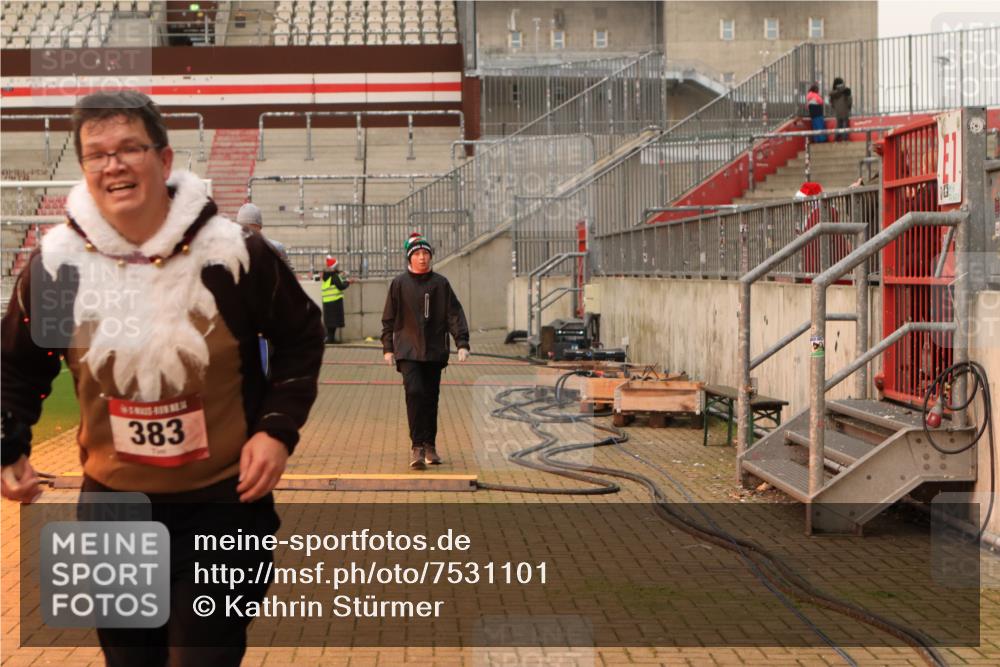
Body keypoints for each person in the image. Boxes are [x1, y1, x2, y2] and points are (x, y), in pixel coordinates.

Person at [0, 90, 325, 666]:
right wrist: (8, 446)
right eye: (97, 154)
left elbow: (301, 337)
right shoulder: (57, 269)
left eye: (129, 148)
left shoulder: (233, 257)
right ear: (83, 168)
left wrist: (276, 430)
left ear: (165, 160)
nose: (114, 165)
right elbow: (17, 369)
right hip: (111, 512)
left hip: (223, 508)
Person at [381, 232, 470, 470]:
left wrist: (462, 342)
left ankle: (430, 445)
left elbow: (454, 314)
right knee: (415, 394)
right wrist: (387, 348)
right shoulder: (399, 284)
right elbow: (388, 319)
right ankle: (417, 446)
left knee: (431, 398)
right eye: (418, 254)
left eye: (426, 253)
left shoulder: (440, 284)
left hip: (433, 351)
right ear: (410, 258)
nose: (422, 258)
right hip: (408, 350)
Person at [236, 201, 293, 270]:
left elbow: (288, 275)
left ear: (259, 227)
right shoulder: (231, 251)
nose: (248, 232)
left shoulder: (275, 248)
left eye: (252, 227)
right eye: (244, 228)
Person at [322, 255, 352, 344]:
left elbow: (336, 279)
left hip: (327, 301)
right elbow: (341, 286)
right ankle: (330, 339)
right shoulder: (334, 276)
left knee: (330, 322)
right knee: (333, 322)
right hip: (334, 301)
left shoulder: (327, 275)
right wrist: (348, 282)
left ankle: (331, 339)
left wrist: (341, 275)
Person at [828, 77, 853, 142]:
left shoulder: (832, 93)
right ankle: (845, 139)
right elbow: (849, 101)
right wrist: (849, 108)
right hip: (845, 110)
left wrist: (835, 107)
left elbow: (831, 102)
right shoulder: (846, 91)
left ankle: (836, 139)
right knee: (845, 126)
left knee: (838, 125)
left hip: (837, 112)